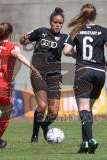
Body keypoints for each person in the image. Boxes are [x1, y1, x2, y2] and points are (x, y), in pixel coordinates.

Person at [63, 4, 107, 153]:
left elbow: (66, 50)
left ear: (82, 15)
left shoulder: (76, 30)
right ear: (95, 16)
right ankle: (85, 144)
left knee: (83, 108)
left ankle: (91, 139)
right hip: (99, 72)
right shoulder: (103, 30)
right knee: (88, 109)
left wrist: (76, 55)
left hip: (83, 71)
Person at [20, 7, 68, 143]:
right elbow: (23, 41)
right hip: (38, 73)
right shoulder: (41, 31)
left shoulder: (65, 38)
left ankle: (44, 126)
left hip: (55, 76)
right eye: (55, 22)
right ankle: (35, 135)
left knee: (54, 113)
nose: (57, 25)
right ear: (51, 22)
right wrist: (23, 39)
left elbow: (71, 50)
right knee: (42, 105)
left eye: (60, 23)